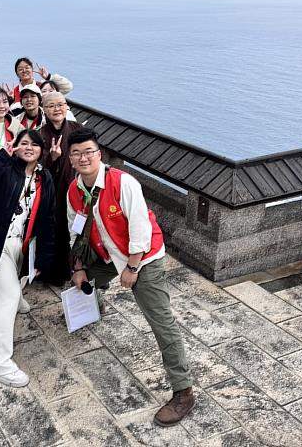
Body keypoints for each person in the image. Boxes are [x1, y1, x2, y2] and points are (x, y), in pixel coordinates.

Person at [66, 128, 195, 426]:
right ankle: (92, 303)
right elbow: (74, 230)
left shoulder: (122, 183)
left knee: (162, 323)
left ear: (100, 154)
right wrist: (79, 268)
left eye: (89, 152)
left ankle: (183, 391)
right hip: (109, 254)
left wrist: (133, 268)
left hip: (142, 258)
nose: (83, 158)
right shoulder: (75, 190)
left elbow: (141, 229)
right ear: (70, 160)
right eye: (77, 154)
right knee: (78, 281)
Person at [0, 130, 55, 387]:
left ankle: (15, 296)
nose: (28, 148)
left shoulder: (43, 177)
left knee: (10, 291)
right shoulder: (5, 167)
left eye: (34, 144)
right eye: (23, 143)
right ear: (15, 147)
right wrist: (2, 156)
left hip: (21, 244)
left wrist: (42, 259)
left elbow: (47, 219)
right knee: (5, 298)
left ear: (41, 150)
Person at [39, 92, 81, 284]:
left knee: (79, 231)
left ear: (66, 107)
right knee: (56, 231)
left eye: (60, 105)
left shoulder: (77, 130)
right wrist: (52, 159)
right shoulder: (40, 135)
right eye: (51, 106)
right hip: (52, 193)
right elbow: (36, 167)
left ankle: (82, 270)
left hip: (77, 189)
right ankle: (58, 272)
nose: (57, 109)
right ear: (44, 110)